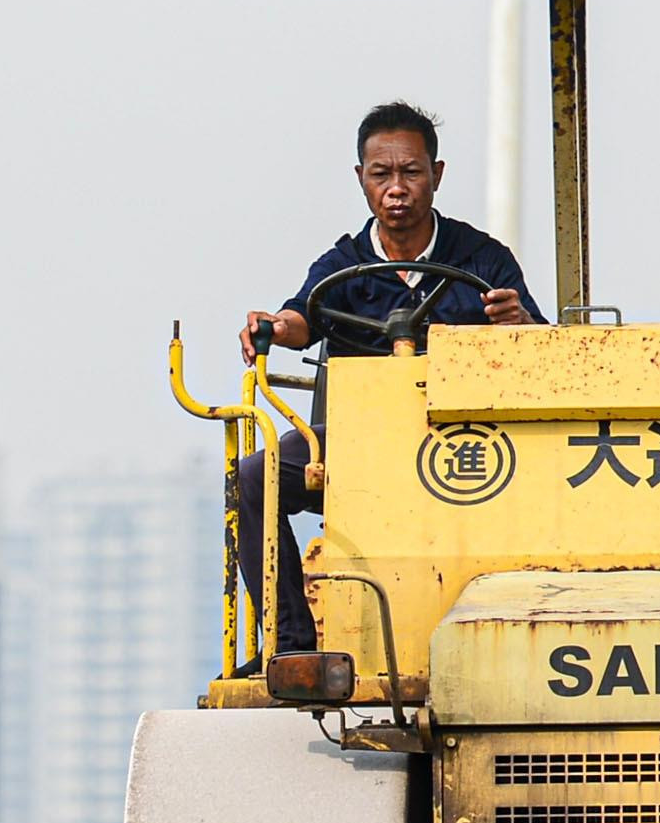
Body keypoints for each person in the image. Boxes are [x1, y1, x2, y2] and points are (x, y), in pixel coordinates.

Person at [230, 101, 546, 657]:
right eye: (382, 175)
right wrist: (274, 327)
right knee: (254, 478)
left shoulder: (483, 259)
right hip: (357, 443)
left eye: (410, 173)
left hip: (465, 442)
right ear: (362, 180)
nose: (396, 188)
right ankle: (293, 646)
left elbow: (544, 347)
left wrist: (517, 323)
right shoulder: (344, 263)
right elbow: (302, 317)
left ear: (436, 176)